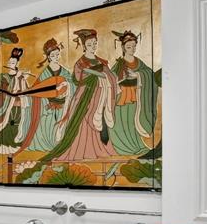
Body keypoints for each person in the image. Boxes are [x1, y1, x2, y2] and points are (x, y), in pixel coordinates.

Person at [49, 29, 119, 162]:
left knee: (100, 122)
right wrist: (90, 74)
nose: (93, 46)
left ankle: (100, 148)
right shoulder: (81, 63)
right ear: (84, 46)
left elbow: (111, 76)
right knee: (82, 122)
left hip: (101, 96)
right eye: (90, 44)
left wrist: (100, 75)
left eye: (95, 43)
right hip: (84, 96)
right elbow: (76, 79)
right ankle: (83, 149)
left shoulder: (101, 61)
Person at [109, 29, 158, 156]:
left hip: (137, 95)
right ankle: (122, 147)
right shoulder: (120, 63)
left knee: (133, 121)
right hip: (122, 96)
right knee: (121, 120)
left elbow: (149, 74)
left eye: (134, 46)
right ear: (123, 47)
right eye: (129, 46)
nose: (132, 49)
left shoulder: (139, 62)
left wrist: (137, 74)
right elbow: (112, 79)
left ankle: (137, 145)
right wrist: (120, 79)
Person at [0, 47, 38, 155]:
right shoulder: (4, 76)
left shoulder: (20, 76)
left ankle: (17, 144)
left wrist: (24, 79)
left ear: (17, 64)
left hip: (19, 105)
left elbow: (25, 91)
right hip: (7, 104)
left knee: (18, 123)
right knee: (7, 123)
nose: (11, 64)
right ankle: (4, 143)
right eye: (10, 62)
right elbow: (4, 91)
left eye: (13, 62)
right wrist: (15, 79)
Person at [27, 39, 73, 152]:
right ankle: (50, 143)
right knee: (46, 123)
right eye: (53, 55)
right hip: (49, 106)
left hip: (64, 105)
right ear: (48, 57)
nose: (56, 57)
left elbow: (73, 84)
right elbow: (36, 89)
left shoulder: (65, 72)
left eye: (57, 54)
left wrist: (66, 84)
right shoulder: (45, 73)